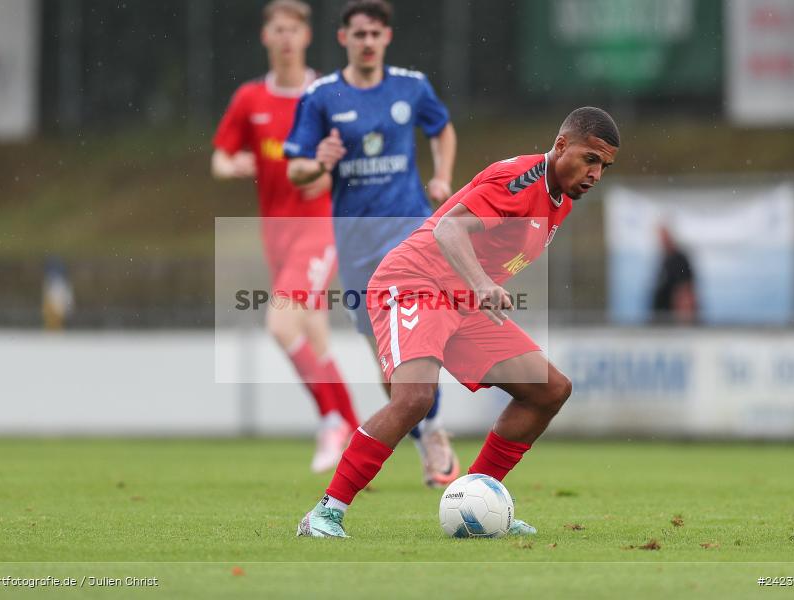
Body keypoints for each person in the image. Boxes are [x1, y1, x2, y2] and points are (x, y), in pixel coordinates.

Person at [296, 107, 621, 538]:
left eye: (604, 166)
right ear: (561, 145)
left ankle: (477, 499)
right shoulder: (520, 179)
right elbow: (448, 229)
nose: (596, 173)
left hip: (463, 301)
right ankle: (324, 513)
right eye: (590, 159)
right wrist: (483, 283)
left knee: (549, 390)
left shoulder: (560, 197)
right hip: (415, 283)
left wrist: (477, 287)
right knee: (413, 398)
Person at [285, 0, 460, 487]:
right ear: (343, 38)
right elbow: (296, 169)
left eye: (375, 34)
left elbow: (441, 129)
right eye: (358, 34)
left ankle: (433, 429)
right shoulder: (321, 96)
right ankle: (423, 427)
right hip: (356, 241)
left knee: (422, 338)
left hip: (409, 229)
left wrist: (442, 175)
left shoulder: (411, 86)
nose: (367, 42)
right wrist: (319, 160)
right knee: (386, 355)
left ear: (387, 38)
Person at [212, 0, 359, 473]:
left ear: (306, 37)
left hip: (320, 227)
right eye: (279, 29)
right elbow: (219, 157)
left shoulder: (326, 95)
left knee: (279, 324)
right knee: (315, 340)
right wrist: (232, 165)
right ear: (266, 37)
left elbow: (354, 157)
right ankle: (358, 446)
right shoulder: (249, 99)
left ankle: (331, 420)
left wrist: (328, 172)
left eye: (294, 29)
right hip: (275, 234)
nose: (287, 38)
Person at [651, 224, 697, 324]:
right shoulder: (664, 260)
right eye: (660, 238)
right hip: (662, 321)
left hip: (674, 322)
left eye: (664, 237)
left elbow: (685, 290)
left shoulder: (680, 259)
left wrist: (683, 318)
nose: (662, 241)